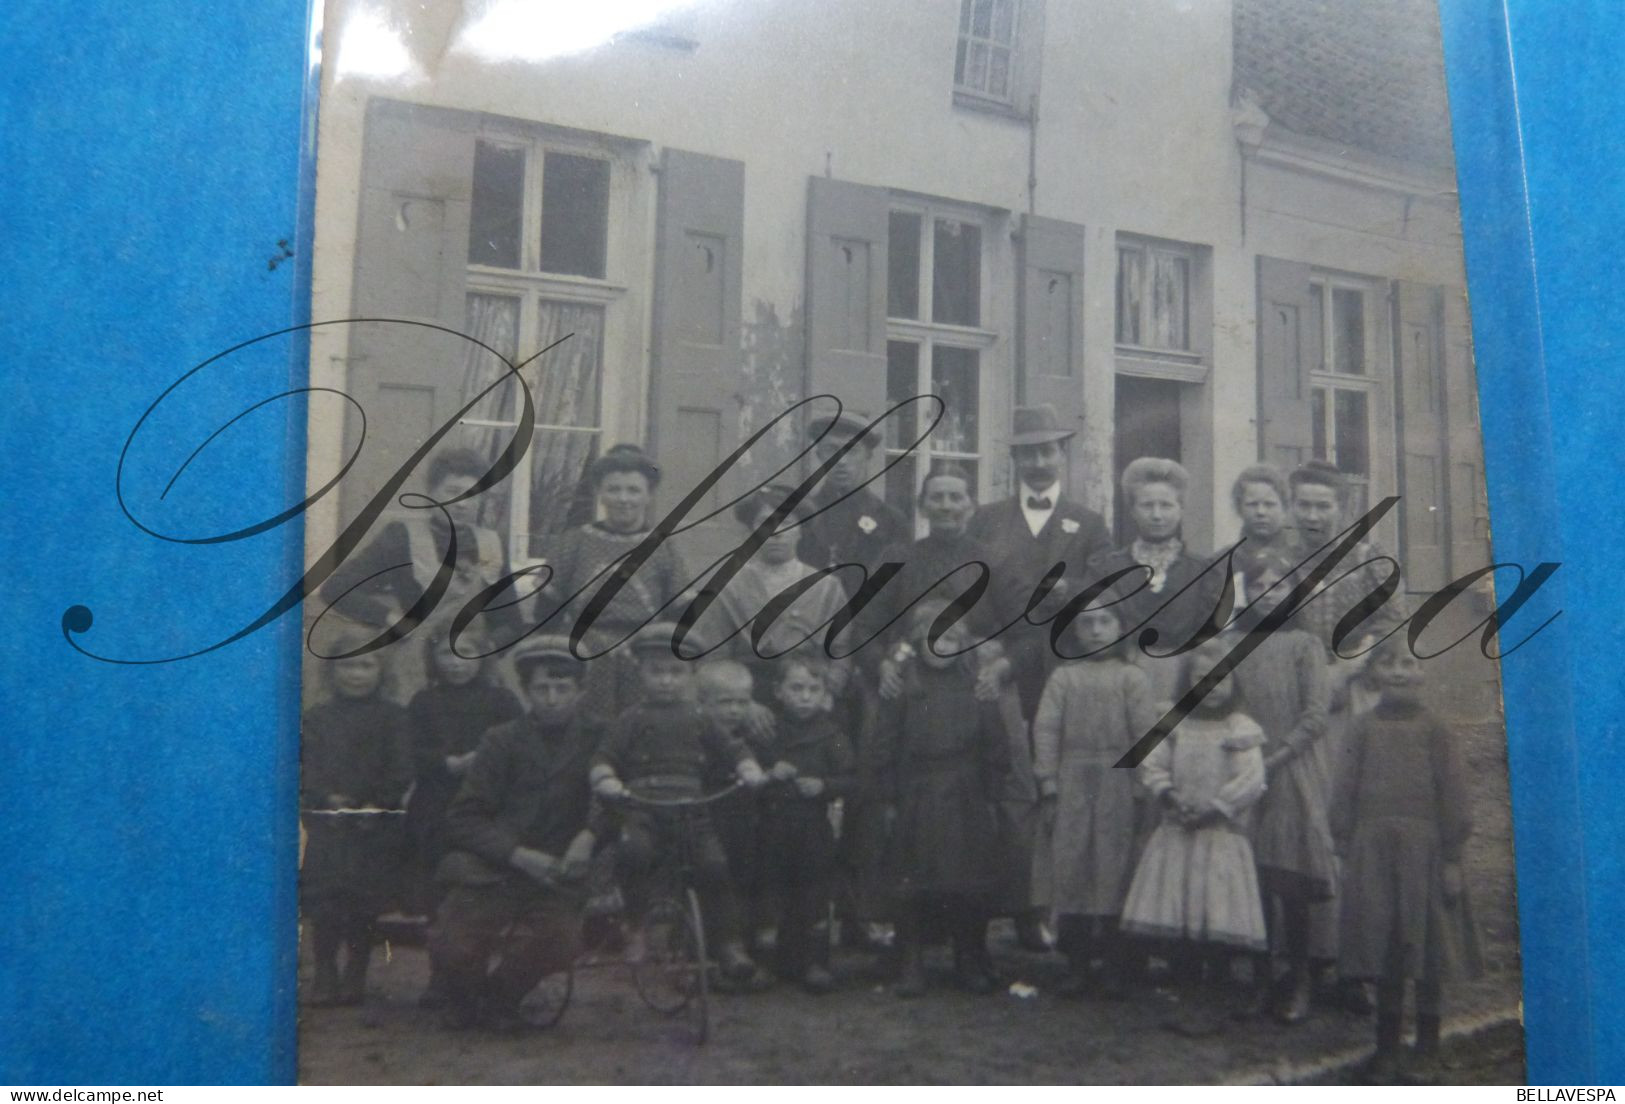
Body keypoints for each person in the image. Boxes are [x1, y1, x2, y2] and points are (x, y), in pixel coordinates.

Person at [865, 465, 1039, 951]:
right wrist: (882, 666)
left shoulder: (995, 561)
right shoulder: (899, 558)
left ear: (970, 504)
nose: (946, 505)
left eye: (955, 497)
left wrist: (1000, 669)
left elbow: (1031, 635)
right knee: (902, 805)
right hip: (915, 691)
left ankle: (1015, 912)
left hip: (981, 688)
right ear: (922, 506)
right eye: (936, 497)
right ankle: (907, 927)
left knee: (1005, 797)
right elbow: (866, 629)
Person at [427, 636, 604, 1031]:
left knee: (559, 940)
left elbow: (615, 802)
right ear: (525, 692)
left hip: (560, 872)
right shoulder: (501, 740)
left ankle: (501, 996)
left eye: (563, 689)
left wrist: (590, 835)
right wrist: (515, 853)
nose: (552, 699)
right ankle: (466, 995)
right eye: (542, 689)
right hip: (496, 869)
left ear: (581, 692)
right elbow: (464, 817)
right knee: (453, 944)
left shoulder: (600, 738)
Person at [1287, 459, 1410, 1011]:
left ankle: (1355, 965)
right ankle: (1305, 960)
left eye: (1323, 506)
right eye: (1305, 506)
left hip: (1354, 701)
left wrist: (1347, 666)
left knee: (1352, 826)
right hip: (1297, 709)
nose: (1313, 516)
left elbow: (1392, 622)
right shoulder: (1280, 561)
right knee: (1305, 825)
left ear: (1342, 509)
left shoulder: (1368, 561)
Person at [1331, 638, 1481, 1083]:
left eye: (1408, 663)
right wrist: (1343, 844)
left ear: (1422, 674)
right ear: (1375, 673)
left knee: (1427, 944)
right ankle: (1386, 1047)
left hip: (1426, 851)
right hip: (1373, 850)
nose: (1398, 671)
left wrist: (1452, 857)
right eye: (1389, 663)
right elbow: (1344, 788)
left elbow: (1454, 794)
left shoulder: (1436, 729)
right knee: (1386, 940)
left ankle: (1428, 1045)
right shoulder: (1360, 728)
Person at [589, 623, 770, 987]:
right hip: (642, 805)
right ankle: (637, 926)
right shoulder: (630, 719)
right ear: (642, 673)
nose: (667, 681)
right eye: (657, 672)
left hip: (690, 807)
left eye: (676, 672)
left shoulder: (700, 717)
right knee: (635, 852)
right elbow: (603, 757)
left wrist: (748, 766)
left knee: (714, 866)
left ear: (690, 674)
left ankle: (729, 945)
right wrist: (605, 778)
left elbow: (733, 748)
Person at [1119, 635, 1268, 1032]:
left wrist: (1215, 807)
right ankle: (1185, 997)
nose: (1212, 688)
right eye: (1202, 679)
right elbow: (1153, 766)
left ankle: (1212, 1003)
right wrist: (1169, 796)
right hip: (1178, 833)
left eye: (1221, 679)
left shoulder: (1240, 728)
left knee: (1214, 918)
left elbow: (1251, 780)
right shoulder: (1174, 723)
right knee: (1181, 916)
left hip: (1219, 835)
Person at [872, 602, 1010, 997]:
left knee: (970, 880)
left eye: (950, 637)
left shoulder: (977, 686)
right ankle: (910, 961)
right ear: (917, 641)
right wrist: (888, 797)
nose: (941, 645)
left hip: (966, 792)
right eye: (933, 637)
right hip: (917, 790)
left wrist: (992, 794)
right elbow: (883, 745)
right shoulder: (902, 686)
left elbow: (995, 745)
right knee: (912, 879)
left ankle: (968, 956)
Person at [315, 447, 516, 704]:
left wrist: (482, 651)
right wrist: (391, 618)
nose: (463, 503)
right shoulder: (401, 536)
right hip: (414, 669)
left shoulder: (493, 544)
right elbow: (336, 587)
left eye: (472, 494)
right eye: (452, 491)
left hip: (473, 677)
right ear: (432, 493)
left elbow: (511, 621)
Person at [1228, 546, 1335, 1023]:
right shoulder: (1237, 643)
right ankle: (1260, 976)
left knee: (1289, 878)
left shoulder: (1305, 645)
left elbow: (1315, 714)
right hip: (1247, 766)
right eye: (1258, 586)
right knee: (1251, 877)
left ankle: (1299, 979)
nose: (1268, 594)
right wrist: (1246, 751)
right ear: (1246, 592)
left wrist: (1279, 756)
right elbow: (1227, 700)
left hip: (1291, 768)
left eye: (1279, 585)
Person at [1032, 598, 1159, 999]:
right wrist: (1049, 783)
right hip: (1073, 780)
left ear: (1121, 627)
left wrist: (1141, 787)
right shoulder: (1064, 679)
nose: (1097, 630)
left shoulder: (1132, 678)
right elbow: (1047, 731)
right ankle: (1077, 961)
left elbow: (1145, 735)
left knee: (1115, 865)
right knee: (1073, 865)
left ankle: (1117, 963)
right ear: (1075, 631)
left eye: (1106, 621)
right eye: (1087, 624)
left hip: (1118, 782)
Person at [965, 404, 1112, 723]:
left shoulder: (1089, 523)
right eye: (1029, 454)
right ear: (1015, 459)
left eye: (1047, 452)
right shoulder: (985, 520)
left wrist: (1068, 590)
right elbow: (967, 585)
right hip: (1001, 662)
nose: (1039, 463)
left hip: (1066, 657)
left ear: (1062, 454)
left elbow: (1105, 585)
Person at [404, 627, 524, 1007]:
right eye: (447, 655)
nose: (457, 664)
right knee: (438, 893)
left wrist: (484, 761)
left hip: (488, 805)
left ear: (484, 656)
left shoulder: (501, 701)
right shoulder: (424, 702)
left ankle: (479, 976)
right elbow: (410, 750)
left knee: (480, 885)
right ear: (434, 660)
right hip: (436, 806)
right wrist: (446, 763)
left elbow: (521, 745)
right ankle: (440, 975)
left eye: (466, 653)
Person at [534, 444, 691, 719]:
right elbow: (546, 612)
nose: (623, 499)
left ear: (649, 495)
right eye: (614, 489)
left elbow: (679, 615)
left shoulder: (663, 548)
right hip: (584, 653)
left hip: (645, 658)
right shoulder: (573, 542)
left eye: (633, 490)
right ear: (600, 493)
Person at [300, 643, 414, 1007]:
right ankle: (325, 970)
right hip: (330, 822)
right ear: (332, 672)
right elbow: (307, 767)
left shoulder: (394, 717)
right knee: (326, 900)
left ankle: (356, 970)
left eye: (366, 665)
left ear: (381, 671)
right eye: (347, 665)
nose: (357, 674)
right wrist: (328, 798)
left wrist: (374, 803)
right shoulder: (317, 718)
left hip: (374, 822)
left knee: (364, 901)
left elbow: (401, 769)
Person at [1086, 457, 1229, 706]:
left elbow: (1210, 638)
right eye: (1147, 505)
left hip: (1184, 685)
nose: (1157, 515)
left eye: (1166, 505)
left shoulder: (1204, 572)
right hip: (1120, 682)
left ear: (1181, 510)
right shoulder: (1108, 568)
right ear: (1132, 510)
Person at [756, 656, 857, 993]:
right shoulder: (768, 730)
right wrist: (771, 775)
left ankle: (815, 963)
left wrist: (824, 786)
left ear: (825, 694)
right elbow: (749, 772)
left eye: (814, 689)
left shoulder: (835, 733)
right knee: (771, 893)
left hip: (813, 826)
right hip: (772, 825)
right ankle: (769, 963)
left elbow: (853, 778)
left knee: (814, 892)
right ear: (778, 692)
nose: (805, 697)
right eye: (796, 688)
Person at [794, 411, 909, 579]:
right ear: (819, 456)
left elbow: (900, 586)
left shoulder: (891, 520)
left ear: (867, 456)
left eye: (852, 451)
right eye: (831, 450)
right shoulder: (801, 515)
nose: (841, 461)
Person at [1229, 463, 1295, 596]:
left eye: (1269, 504)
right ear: (1239, 508)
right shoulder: (1222, 563)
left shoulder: (1297, 559)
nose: (1261, 512)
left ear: (1285, 507)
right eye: (1252, 504)